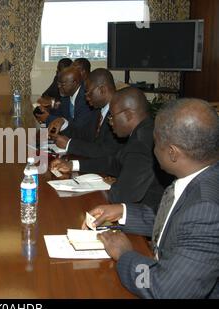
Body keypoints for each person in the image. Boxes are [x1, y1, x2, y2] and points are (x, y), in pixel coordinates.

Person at [87, 98, 219, 298]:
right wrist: (123, 212)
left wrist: (124, 255)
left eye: (155, 142)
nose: (152, 148)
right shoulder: (200, 175)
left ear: (173, 153)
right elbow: (175, 223)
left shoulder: (206, 210)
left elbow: (165, 290)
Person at [51, 87, 167, 210]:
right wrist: (72, 165)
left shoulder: (141, 144)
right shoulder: (145, 130)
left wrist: (117, 185)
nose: (110, 122)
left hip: (147, 218)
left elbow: (121, 196)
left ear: (128, 115)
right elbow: (114, 163)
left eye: (112, 116)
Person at [51, 68, 126, 158]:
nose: (86, 97)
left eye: (88, 92)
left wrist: (69, 145)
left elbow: (107, 151)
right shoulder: (98, 110)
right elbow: (86, 135)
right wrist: (63, 123)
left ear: (102, 90)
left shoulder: (121, 113)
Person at [35, 66, 98, 141]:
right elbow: (61, 113)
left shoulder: (85, 99)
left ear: (74, 82)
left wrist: (48, 118)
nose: (59, 86)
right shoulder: (67, 94)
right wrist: (47, 111)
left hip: (83, 141)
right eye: (58, 83)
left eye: (62, 84)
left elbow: (77, 128)